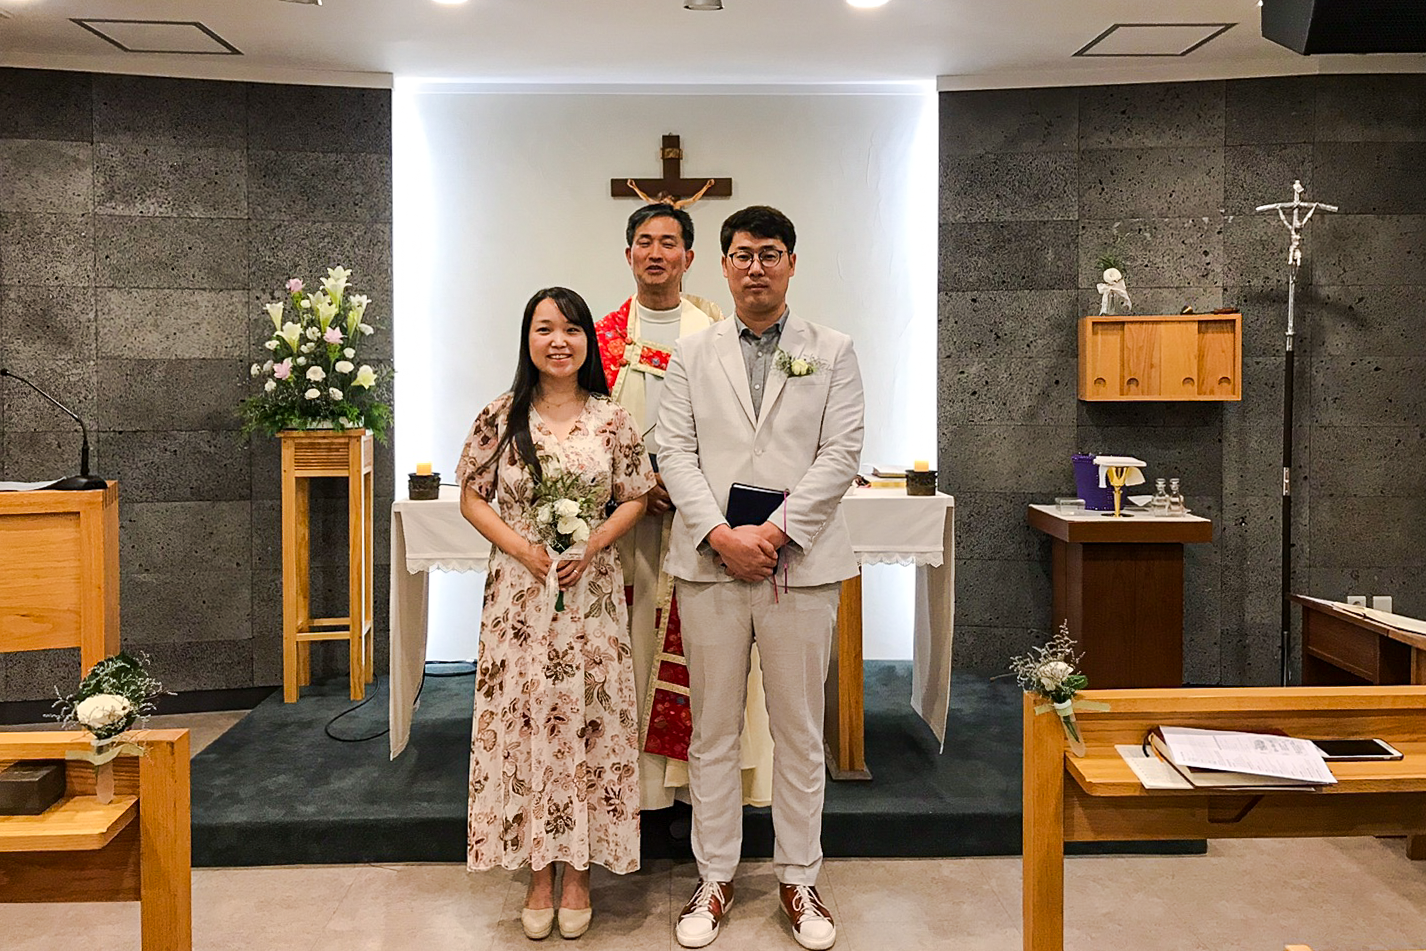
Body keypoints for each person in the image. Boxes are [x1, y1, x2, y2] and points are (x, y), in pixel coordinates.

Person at [656, 206, 865, 950]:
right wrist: (720, 534)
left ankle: (799, 877)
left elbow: (841, 453)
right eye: (742, 254)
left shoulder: (832, 349)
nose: (755, 267)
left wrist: (774, 533)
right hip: (710, 565)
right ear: (722, 265)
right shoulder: (691, 354)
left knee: (799, 732)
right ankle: (714, 876)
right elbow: (673, 451)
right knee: (713, 731)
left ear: (791, 262)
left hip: (798, 566)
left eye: (769, 253)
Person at [456, 286, 656, 941]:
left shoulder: (612, 418)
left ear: (588, 341)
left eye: (571, 329)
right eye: (545, 329)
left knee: (585, 722)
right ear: (528, 339)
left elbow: (635, 494)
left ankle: (579, 873)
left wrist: (591, 543)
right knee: (527, 723)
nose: (559, 341)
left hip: (590, 595)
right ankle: (537, 871)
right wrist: (524, 549)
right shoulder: (500, 414)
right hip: (518, 599)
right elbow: (472, 495)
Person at [595, 204, 775, 812]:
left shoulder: (719, 331)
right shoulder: (603, 339)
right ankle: (640, 794)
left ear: (690, 257)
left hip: (707, 524)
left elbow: (747, 427)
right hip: (629, 526)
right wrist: (633, 486)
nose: (656, 253)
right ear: (628, 255)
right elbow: (585, 431)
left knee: (711, 661)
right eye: (644, 242)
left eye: (669, 243)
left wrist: (693, 491)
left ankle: (703, 795)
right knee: (634, 651)